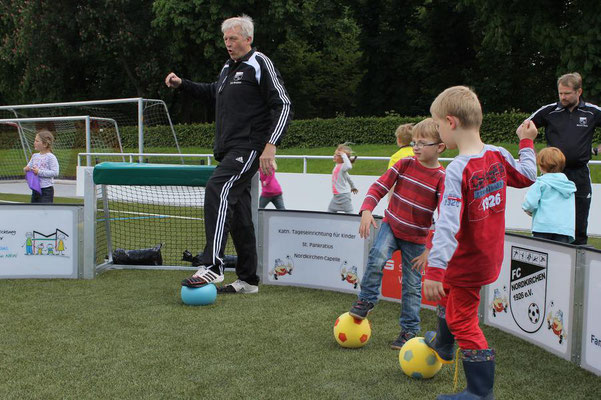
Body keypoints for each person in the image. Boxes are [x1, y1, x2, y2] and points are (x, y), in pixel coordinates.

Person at [423, 86, 537, 399]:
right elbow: (528, 174)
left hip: (465, 262)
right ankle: (444, 345)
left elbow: (447, 224)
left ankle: (479, 392)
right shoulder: (498, 154)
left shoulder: (458, 169)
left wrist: (434, 270)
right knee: (450, 301)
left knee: (463, 318)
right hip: (486, 258)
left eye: (437, 125)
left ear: (451, 122)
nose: (438, 131)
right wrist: (526, 141)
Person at [164, 15, 292, 293]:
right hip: (228, 150)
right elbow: (213, 92)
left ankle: (212, 266)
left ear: (248, 38)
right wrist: (182, 84)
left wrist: (270, 146)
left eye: (233, 38)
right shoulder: (227, 68)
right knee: (239, 216)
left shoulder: (260, 63)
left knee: (217, 187)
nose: (228, 44)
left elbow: (283, 104)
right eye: (225, 39)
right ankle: (248, 280)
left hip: (248, 147)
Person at [349, 118, 446, 349]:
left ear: (440, 147)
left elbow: (445, 218)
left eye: (423, 143)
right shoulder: (404, 164)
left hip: (417, 239)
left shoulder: (443, 179)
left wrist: (429, 250)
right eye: (414, 142)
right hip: (391, 225)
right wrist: (366, 210)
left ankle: (409, 331)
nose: (417, 147)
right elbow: (378, 186)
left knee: (412, 287)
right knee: (377, 258)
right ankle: (366, 301)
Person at [528, 72, 601, 245]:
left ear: (579, 92)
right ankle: (548, 252)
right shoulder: (549, 111)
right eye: (560, 93)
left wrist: (597, 150)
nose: (563, 97)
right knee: (550, 218)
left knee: (580, 217)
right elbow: (524, 129)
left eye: (567, 93)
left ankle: (579, 259)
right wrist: (534, 154)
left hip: (580, 173)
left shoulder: (592, 112)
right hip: (553, 174)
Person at [522, 147, 576, 243]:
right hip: (564, 229)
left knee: (541, 254)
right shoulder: (568, 186)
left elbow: (530, 203)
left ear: (541, 166)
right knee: (559, 255)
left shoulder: (540, 183)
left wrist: (527, 209)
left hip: (543, 227)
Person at [23, 129, 59, 203]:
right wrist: (26, 169)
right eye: (35, 140)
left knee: (44, 211)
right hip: (35, 189)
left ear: (45, 144)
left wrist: (39, 172)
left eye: (37, 141)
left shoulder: (50, 157)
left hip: (46, 190)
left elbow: (55, 172)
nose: (34, 143)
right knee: (34, 210)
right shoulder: (35, 156)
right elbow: (29, 167)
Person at [328, 143, 358, 213]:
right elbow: (348, 178)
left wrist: (343, 154)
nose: (334, 156)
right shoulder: (338, 166)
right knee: (330, 211)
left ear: (342, 158)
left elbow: (349, 166)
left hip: (343, 196)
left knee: (350, 213)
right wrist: (353, 187)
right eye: (334, 154)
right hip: (336, 196)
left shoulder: (343, 166)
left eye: (337, 155)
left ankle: (354, 223)